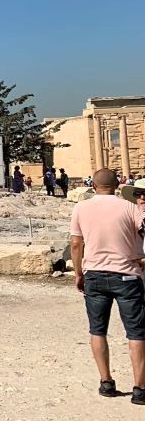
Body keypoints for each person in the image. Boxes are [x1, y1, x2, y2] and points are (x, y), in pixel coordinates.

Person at [69, 168, 145, 404]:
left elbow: (75, 244)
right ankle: (140, 389)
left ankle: (106, 382)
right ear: (118, 185)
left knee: (97, 330)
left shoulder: (81, 207)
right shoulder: (130, 207)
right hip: (127, 274)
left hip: (94, 274)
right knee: (136, 332)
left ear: (93, 185)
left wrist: (78, 273)